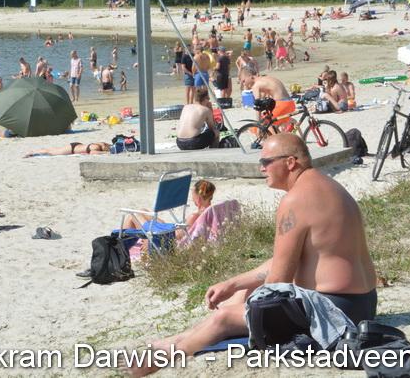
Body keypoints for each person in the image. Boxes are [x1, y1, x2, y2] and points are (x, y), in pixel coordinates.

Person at [133, 135, 377, 375]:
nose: (261, 168)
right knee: (243, 293)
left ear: (290, 162)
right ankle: (176, 340)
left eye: (266, 162)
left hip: (335, 311)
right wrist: (233, 284)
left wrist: (243, 307)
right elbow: (284, 260)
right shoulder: (327, 186)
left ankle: (160, 359)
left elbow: (277, 283)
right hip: (362, 304)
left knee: (224, 318)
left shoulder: (296, 200)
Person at [24, 142, 111, 157]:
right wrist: (106, 153)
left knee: (54, 150)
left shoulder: (101, 143)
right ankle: (33, 152)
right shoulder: (97, 147)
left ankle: (37, 151)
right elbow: (92, 153)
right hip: (72, 149)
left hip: (76, 145)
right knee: (52, 153)